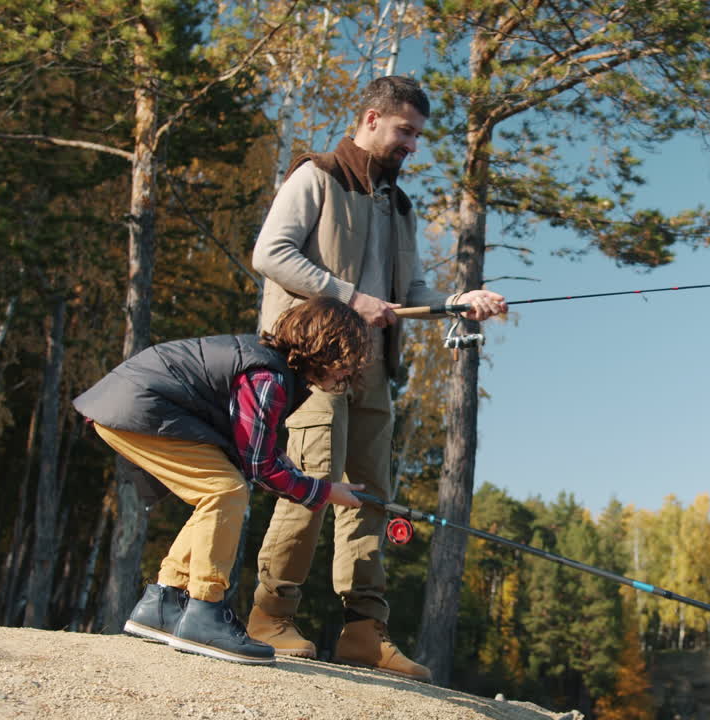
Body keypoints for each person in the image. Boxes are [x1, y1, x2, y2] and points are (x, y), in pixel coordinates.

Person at [247, 74, 507, 681]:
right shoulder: (314, 177)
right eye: (404, 132)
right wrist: (349, 297)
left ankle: (364, 631)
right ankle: (268, 615)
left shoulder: (399, 206)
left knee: (369, 496)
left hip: (372, 369)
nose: (412, 145)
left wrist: (456, 302)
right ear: (370, 120)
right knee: (311, 481)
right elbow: (270, 254)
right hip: (310, 362)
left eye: (417, 135)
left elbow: (408, 293)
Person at [72, 297, 371, 665]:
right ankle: (205, 609)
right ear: (323, 348)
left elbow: (256, 449)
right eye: (346, 361)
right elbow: (260, 466)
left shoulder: (272, 371)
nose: (347, 372)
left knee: (218, 490)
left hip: (130, 401)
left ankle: (164, 602)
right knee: (224, 490)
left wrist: (321, 488)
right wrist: (322, 491)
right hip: (138, 405)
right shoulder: (268, 377)